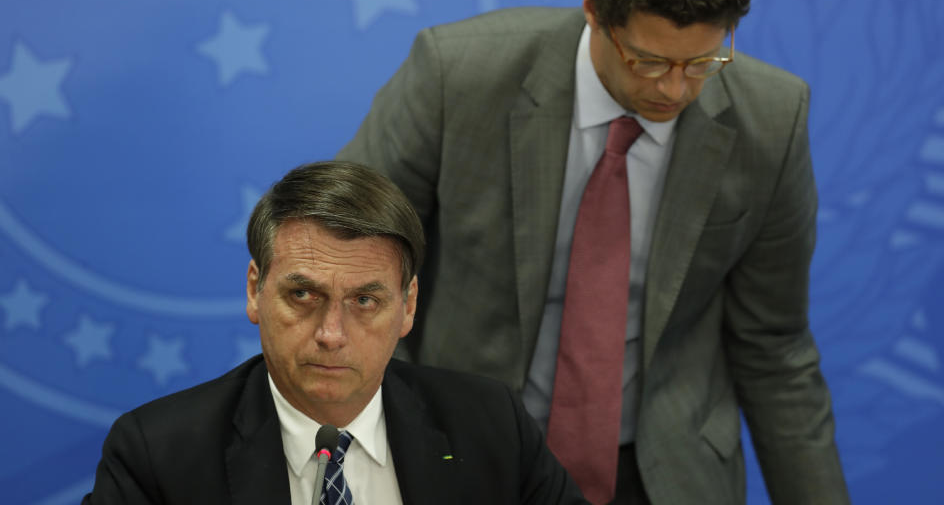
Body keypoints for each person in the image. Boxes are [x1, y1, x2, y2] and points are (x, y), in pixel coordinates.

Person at [337, 0, 849, 505]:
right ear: (591, 8)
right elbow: (345, 262)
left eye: (705, 62)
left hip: (663, 472)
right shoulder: (457, 79)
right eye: (649, 62)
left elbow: (774, 348)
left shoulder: (771, 121)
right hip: (462, 454)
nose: (677, 91)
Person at [83, 161, 587, 504]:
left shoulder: (490, 426)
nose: (330, 334)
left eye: (365, 301)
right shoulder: (159, 455)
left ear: (408, 306)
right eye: (303, 295)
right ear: (256, 290)